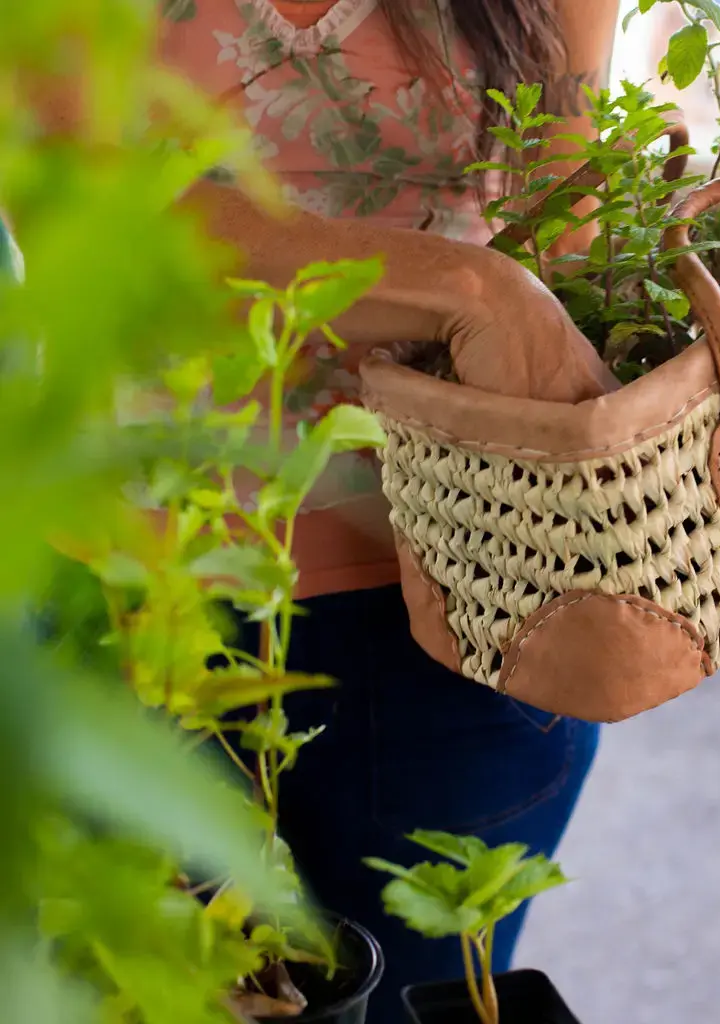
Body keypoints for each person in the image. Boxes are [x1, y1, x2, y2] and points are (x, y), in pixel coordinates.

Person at [157, 3, 621, 1021]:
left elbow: (569, 245)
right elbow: (82, 201)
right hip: (145, 609)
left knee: (431, 999)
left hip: (459, 613)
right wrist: (469, 289)